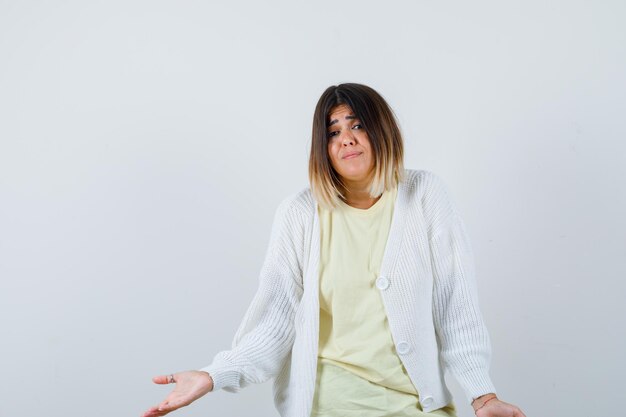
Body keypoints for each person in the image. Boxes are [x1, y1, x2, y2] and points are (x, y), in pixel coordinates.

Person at [141, 83, 526, 417]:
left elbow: (455, 306)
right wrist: (214, 375)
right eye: (333, 131)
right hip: (331, 403)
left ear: (382, 130)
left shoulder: (425, 195)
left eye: (357, 125)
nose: (346, 139)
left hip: (418, 404)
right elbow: (276, 320)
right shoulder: (299, 213)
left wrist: (482, 394)